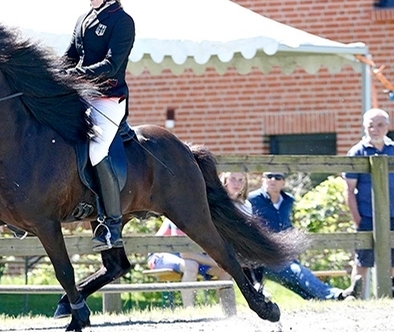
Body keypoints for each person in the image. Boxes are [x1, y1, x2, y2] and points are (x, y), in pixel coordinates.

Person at [65, 0, 136, 252]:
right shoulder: (83, 19)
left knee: (96, 150)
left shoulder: (123, 21)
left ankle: (112, 225)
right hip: (82, 96)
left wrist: (75, 75)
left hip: (109, 99)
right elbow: (69, 57)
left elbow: (111, 65)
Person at [248, 172, 352, 301]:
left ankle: (320, 300)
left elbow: (287, 225)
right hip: (263, 258)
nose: (273, 180)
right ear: (263, 180)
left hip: (284, 254)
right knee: (298, 273)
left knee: (294, 280)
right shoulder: (252, 199)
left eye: (277, 177)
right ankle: (338, 295)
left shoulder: (288, 200)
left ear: (283, 182)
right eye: (269, 177)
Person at [343, 108, 394, 295]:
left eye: (380, 125)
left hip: (393, 215)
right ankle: (356, 298)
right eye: (370, 125)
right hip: (367, 215)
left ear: (387, 126)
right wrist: (357, 218)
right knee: (362, 261)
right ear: (365, 127)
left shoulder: (393, 149)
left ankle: (386, 297)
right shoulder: (357, 152)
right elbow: (348, 189)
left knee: (392, 260)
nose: (375, 129)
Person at [147, 219, 230, 308]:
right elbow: (184, 252)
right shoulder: (177, 219)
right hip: (162, 255)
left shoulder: (208, 223)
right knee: (191, 266)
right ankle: (189, 309)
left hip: (192, 256)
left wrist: (224, 265)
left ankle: (229, 310)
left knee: (225, 271)